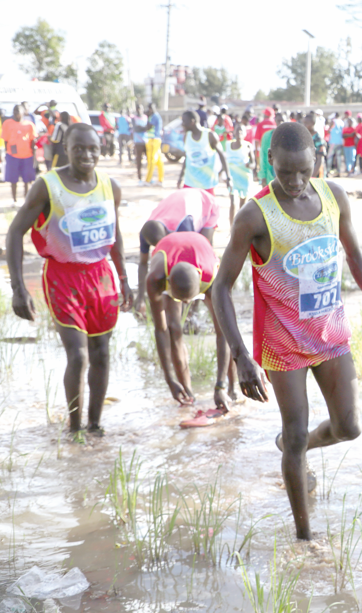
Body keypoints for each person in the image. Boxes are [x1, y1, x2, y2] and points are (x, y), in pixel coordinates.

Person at [211, 122, 362, 540]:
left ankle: (297, 449)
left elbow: (356, 256)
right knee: (294, 434)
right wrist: (241, 355)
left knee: (349, 427)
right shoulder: (255, 215)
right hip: (282, 343)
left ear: (316, 160)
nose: (294, 181)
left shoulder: (334, 197)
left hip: (330, 333)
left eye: (303, 171)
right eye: (285, 171)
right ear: (269, 161)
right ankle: (305, 537)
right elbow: (220, 286)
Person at [6, 123, 133, 435]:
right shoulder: (47, 186)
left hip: (101, 275)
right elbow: (14, 232)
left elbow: (114, 234)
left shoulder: (109, 186)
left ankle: (95, 425)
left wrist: (124, 278)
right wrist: (18, 287)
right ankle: (74, 430)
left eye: (93, 148)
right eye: (79, 148)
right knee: (78, 355)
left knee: (101, 351)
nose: (86, 154)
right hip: (63, 277)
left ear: (101, 149)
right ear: (66, 149)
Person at [144, 231, 237, 427]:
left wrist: (220, 384)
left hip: (203, 254)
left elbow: (224, 335)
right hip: (169, 251)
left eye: (190, 299)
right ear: (168, 286)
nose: (186, 303)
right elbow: (161, 330)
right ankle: (186, 393)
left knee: (225, 326)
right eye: (181, 299)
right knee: (174, 328)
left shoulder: (214, 279)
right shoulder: (155, 279)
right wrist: (169, 380)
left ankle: (231, 389)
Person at [134, 188, 220, 316]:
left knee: (201, 256)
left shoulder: (184, 228)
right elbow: (142, 263)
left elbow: (190, 268)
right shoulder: (146, 232)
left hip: (206, 205)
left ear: (168, 236)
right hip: (179, 203)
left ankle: (193, 311)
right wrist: (140, 297)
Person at [177, 110, 230, 194]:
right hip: (190, 183)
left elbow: (222, 156)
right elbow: (187, 158)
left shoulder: (210, 135)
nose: (182, 124)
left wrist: (228, 177)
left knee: (207, 207)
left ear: (192, 122)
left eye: (184, 121)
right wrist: (181, 177)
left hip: (207, 184)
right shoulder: (187, 137)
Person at [2, 105, 38, 204]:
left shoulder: (29, 125)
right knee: (13, 179)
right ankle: (14, 200)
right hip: (12, 156)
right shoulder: (7, 123)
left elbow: (33, 140)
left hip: (27, 156)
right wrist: (6, 152)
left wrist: (33, 156)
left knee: (27, 180)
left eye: (19, 112)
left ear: (23, 113)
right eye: (15, 112)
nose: (17, 114)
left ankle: (26, 200)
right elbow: (5, 139)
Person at [226, 123, 254, 224]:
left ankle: (239, 226)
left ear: (245, 133)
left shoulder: (248, 146)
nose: (239, 133)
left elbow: (254, 164)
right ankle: (231, 228)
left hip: (244, 179)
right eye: (237, 130)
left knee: (243, 205)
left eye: (242, 131)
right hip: (232, 179)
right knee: (233, 203)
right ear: (234, 132)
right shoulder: (228, 145)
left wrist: (249, 165)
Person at [258, 113, 284, 187]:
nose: (281, 123)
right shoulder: (267, 136)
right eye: (279, 120)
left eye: (283, 120)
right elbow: (263, 155)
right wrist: (263, 176)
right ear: (275, 121)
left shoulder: (290, 136)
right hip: (270, 174)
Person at [145, 103, 165, 187]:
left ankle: (148, 180)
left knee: (151, 160)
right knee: (159, 161)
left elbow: (148, 126)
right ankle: (160, 180)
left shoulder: (153, 116)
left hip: (153, 140)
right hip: (156, 139)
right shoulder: (157, 116)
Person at [131, 103, 149, 186]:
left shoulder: (146, 117)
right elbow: (136, 129)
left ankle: (148, 178)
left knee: (149, 161)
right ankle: (140, 178)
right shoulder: (134, 118)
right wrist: (143, 128)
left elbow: (148, 128)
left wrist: (141, 127)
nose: (139, 110)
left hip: (146, 141)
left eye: (140, 108)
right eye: (138, 108)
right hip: (138, 142)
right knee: (139, 161)